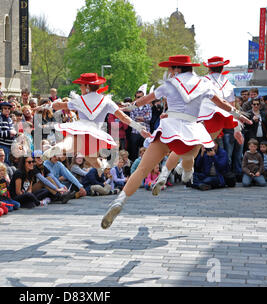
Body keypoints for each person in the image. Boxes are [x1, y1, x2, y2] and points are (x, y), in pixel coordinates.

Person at [101, 55, 248, 230]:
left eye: (170, 68)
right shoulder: (204, 84)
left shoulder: (169, 85)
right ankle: (187, 172)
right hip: (191, 130)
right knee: (188, 155)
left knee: (141, 169)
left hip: (169, 127)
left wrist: (128, 107)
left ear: (177, 69)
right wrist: (238, 116)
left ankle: (120, 200)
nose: (169, 72)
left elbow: (145, 100)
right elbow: (222, 103)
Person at [151, 56, 250, 196]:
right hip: (218, 120)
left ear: (209, 68)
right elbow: (230, 107)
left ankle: (165, 173)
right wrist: (236, 128)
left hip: (199, 117)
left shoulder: (202, 80)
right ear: (222, 68)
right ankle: (180, 167)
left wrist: (170, 113)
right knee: (196, 146)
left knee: (183, 147)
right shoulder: (228, 84)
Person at [40, 73, 149, 175]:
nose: (80, 87)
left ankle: (58, 148)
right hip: (95, 132)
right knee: (89, 155)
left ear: (87, 86)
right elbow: (123, 117)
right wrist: (139, 128)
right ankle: (101, 167)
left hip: (81, 128)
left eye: (81, 85)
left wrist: (50, 105)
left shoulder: (80, 100)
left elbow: (59, 106)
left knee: (70, 144)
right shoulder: (106, 101)